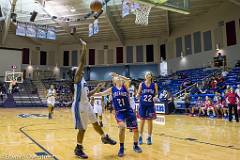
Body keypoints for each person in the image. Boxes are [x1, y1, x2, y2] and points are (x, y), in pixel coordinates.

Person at [71, 39, 116, 159]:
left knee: (96, 124)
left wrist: (96, 88)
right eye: (78, 69)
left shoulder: (83, 81)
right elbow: (82, 62)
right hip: (79, 106)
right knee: (82, 129)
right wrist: (84, 48)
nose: (80, 69)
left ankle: (104, 137)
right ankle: (78, 148)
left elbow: (88, 94)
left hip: (87, 104)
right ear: (76, 73)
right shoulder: (77, 79)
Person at [94, 72, 142, 157]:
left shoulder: (125, 86)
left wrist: (118, 75)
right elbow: (101, 94)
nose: (119, 78)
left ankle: (135, 145)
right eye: (116, 78)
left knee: (135, 129)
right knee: (122, 128)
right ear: (113, 81)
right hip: (119, 112)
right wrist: (90, 95)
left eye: (119, 78)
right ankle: (121, 147)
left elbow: (128, 80)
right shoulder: (112, 89)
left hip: (128, 110)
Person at [137, 72, 158, 145]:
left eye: (149, 75)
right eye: (146, 75)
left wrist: (156, 96)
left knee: (150, 122)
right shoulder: (141, 84)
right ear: (145, 77)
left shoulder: (154, 84)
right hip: (143, 105)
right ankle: (140, 137)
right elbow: (138, 93)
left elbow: (156, 93)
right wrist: (137, 95)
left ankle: (149, 137)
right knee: (142, 121)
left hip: (150, 105)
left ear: (151, 77)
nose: (147, 76)